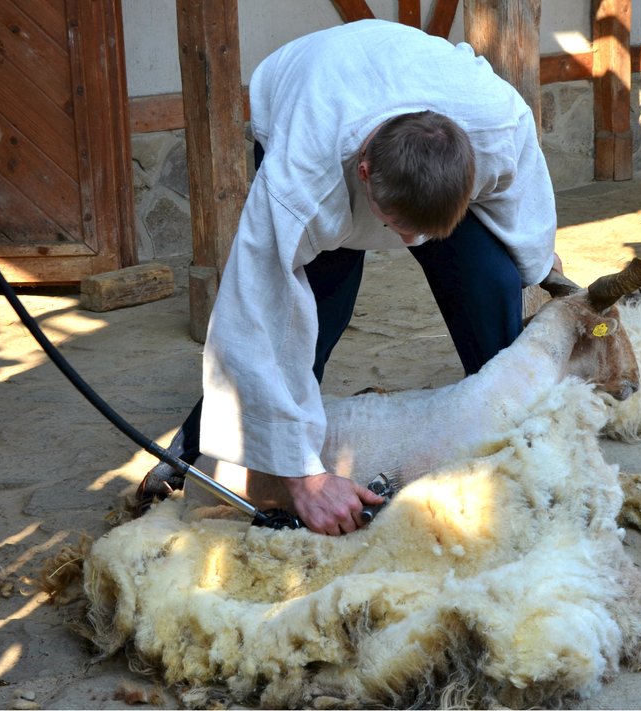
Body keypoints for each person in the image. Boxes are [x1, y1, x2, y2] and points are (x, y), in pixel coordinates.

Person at [136, 18, 562, 536]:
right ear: (364, 173)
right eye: (399, 228)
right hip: (311, 100)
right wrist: (306, 480)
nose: (408, 248)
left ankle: (516, 431)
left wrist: (543, 285)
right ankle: (189, 451)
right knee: (317, 316)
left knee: (490, 283)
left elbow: (528, 224)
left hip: (408, 109)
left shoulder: (500, 128)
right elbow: (252, 323)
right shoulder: (298, 183)